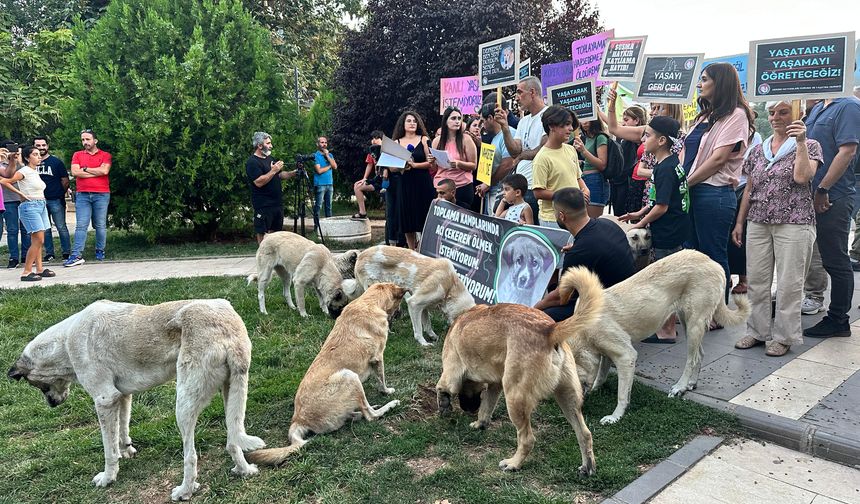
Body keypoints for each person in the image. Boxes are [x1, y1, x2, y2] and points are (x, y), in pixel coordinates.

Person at [731, 101, 821, 356]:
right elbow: (749, 188)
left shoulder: (811, 146)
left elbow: (802, 177)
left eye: (783, 112)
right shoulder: (759, 150)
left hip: (795, 221)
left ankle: (784, 336)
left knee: (789, 283)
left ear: (797, 114)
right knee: (757, 280)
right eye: (772, 113)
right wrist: (740, 222)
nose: (776, 117)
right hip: (758, 221)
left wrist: (801, 141)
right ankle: (756, 331)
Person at [684, 63, 754, 310]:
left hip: (714, 193)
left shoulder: (736, 115)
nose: (700, 84)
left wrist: (685, 183)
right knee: (692, 254)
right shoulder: (704, 116)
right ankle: (696, 308)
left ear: (720, 82)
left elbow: (718, 159)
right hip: (693, 192)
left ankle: (717, 311)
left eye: (704, 79)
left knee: (713, 255)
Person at [621, 116, 688, 343]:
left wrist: (639, 225)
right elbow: (658, 200)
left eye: (647, 135)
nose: (643, 138)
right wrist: (638, 213)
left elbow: (662, 206)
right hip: (671, 229)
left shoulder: (666, 168)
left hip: (669, 233)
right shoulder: (666, 164)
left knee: (666, 282)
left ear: (661, 140)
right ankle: (665, 326)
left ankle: (667, 330)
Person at [801, 93, 860, 339]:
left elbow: (847, 151)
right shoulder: (818, 108)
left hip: (832, 195)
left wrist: (823, 188)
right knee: (820, 256)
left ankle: (838, 319)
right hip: (810, 193)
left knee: (835, 258)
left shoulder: (848, 106)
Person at [534, 187, 635, 322]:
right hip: (627, 296)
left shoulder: (580, 252)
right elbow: (597, 249)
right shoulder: (608, 224)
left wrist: (532, 309)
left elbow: (560, 297)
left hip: (610, 311)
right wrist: (578, 248)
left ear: (562, 216)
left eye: (555, 212)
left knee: (541, 319)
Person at [495, 76, 548, 219]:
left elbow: (543, 150)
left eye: (519, 92)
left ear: (532, 92)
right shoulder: (523, 121)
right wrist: (505, 128)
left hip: (538, 186)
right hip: (522, 189)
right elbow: (514, 151)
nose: (517, 97)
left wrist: (521, 156)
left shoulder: (549, 116)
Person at [0, 146, 55, 281]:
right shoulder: (24, 171)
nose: (39, 157)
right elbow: (4, 181)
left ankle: (40, 269)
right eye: (35, 154)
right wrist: (20, 194)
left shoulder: (34, 171)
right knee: (39, 239)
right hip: (30, 206)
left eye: (38, 154)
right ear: (27, 157)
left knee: (38, 239)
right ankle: (26, 271)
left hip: (41, 204)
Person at [531, 105, 589, 227]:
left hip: (575, 216)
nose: (571, 128)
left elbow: (577, 178)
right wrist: (568, 197)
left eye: (571, 124)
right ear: (551, 126)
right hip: (553, 220)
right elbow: (538, 192)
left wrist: (585, 190)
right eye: (567, 124)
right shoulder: (542, 158)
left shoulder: (570, 150)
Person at [63, 130, 112, 267]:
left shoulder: (105, 155)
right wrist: (93, 171)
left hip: (101, 194)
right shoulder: (77, 155)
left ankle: (100, 250)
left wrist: (84, 169)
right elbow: (75, 172)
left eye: (88, 139)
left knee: (100, 225)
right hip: (83, 194)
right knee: (81, 225)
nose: (85, 142)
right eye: (83, 140)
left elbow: (105, 171)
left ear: (95, 141)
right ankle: (76, 254)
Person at [390, 111, 436, 250]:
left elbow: (432, 164)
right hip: (405, 183)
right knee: (408, 218)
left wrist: (415, 165)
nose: (412, 123)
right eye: (409, 121)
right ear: (402, 124)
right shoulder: (396, 142)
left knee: (424, 216)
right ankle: (411, 250)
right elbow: (391, 168)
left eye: (414, 121)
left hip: (423, 182)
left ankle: (425, 248)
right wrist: (401, 166)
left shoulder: (424, 139)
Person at [245, 131, 296, 244]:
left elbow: (280, 175)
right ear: (259, 146)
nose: (271, 146)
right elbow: (259, 182)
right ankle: (263, 258)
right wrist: (273, 170)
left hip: (276, 204)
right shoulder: (252, 162)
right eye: (268, 143)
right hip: (263, 205)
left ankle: (274, 259)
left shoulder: (270, 158)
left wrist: (294, 173)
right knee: (263, 232)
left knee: (276, 234)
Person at [474, 99, 516, 214]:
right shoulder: (494, 138)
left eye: (483, 121)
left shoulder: (508, 134)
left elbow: (508, 164)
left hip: (503, 194)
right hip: (494, 192)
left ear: (491, 118)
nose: (481, 125)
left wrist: (488, 183)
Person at [432, 106, 477, 209]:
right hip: (441, 186)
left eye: (459, 118)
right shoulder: (436, 141)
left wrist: (458, 163)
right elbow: (434, 169)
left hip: (462, 186)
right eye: (453, 118)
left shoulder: (466, 139)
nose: (457, 121)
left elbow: (473, 165)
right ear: (445, 121)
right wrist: (432, 162)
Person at [34, 136, 70, 261]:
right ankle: (50, 253)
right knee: (46, 228)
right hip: (39, 200)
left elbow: (65, 181)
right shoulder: (31, 164)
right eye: (38, 145)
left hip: (55, 199)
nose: (41, 148)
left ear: (47, 146)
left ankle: (66, 252)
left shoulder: (56, 162)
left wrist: (60, 194)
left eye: (43, 145)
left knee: (61, 226)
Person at [0, 143, 31, 268]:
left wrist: (20, 162)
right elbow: (9, 175)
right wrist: (12, 160)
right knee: (12, 230)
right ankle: (13, 257)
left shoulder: (22, 164)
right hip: (8, 200)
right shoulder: (2, 164)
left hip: (23, 199)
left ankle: (25, 255)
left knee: (25, 229)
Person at [572, 119, 609, 218]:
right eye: (582, 121)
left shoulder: (600, 137)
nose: (584, 123)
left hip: (595, 179)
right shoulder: (587, 138)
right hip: (585, 178)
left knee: (592, 218)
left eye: (588, 120)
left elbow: (602, 164)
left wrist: (583, 151)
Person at [352, 130, 387, 219]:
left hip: (387, 179)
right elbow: (369, 164)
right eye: (372, 138)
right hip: (378, 178)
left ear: (383, 140)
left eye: (377, 138)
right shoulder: (372, 151)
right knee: (357, 186)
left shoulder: (387, 150)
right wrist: (364, 178)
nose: (374, 140)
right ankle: (362, 212)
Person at [312, 136, 337, 222]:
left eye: (325, 142)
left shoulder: (330, 155)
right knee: (318, 206)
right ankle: (317, 227)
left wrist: (327, 155)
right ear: (317, 144)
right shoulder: (315, 156)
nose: (324, 144)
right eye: (322, 142)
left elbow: (335, 166)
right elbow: (319, 170)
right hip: (320, 184)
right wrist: (329, 166)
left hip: (329, 183)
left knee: (329, 206)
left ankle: (328, 226)